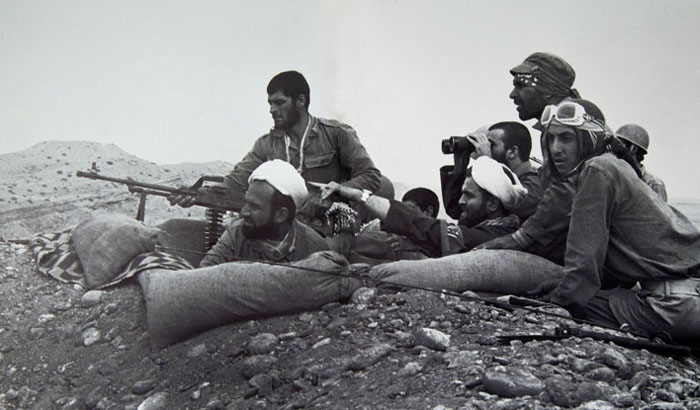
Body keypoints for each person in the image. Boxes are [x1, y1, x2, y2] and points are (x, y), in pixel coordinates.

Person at [531, 100, 700, 344]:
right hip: (688, 297)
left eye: (566, 138)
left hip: (672, 307)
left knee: (569, 305)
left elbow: (584, 262)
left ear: (588, 139)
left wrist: (555, 301)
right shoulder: (617, 167)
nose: (556, 149)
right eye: (551, 139)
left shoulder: (597, 170)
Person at [171, 70, 384, 236]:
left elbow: (371, 176)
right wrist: (198, 194)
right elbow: (236, 181)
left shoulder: (336, 134)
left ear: (300, 101)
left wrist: (332, 194)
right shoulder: (267, 144)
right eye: (270, 103)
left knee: (331, 254)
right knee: (239, 237)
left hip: (337, 216)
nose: (272, 109)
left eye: (279, 102)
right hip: (288, 221)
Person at [315, 156, 528, 257]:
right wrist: (421, 245)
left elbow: (430, 228)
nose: (461, 202)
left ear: (492, 204)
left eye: (469, 196)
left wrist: (358, 195)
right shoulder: (489, 229)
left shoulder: (497, 235)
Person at [199, 160, 328, 266]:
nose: (244, 212)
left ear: (281, 215)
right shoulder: (237, 233)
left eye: (254, 206)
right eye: (246, 202)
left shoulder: (315, 250)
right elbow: (204, 275)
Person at [441, 122, 543, 222]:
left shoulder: (536, 185)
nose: (484, 148)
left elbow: (512, 205)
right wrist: (459, 170)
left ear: (512, 152)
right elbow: (456, 211)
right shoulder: (490, 181)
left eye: (491, 144)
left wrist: (486, 161)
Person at [616, 124, 668, 201]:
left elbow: (660, 209)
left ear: (634, 149)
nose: (614, 149)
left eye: (620, 145)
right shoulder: (615, 179)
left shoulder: (654, 185)